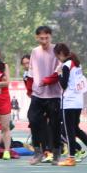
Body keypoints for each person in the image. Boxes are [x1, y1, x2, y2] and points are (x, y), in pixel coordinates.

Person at [53, 43, 87, 167]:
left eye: (57, 56)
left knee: (68, 131)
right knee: (76, 130)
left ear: (61, 54)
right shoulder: (77, 63)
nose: (58, 59)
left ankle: (71, 158)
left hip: (69, 102)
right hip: (78, 101)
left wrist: (58, 73)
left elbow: (63, 85)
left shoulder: (66, 65)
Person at [28, 26, 62, 165]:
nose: (44, 41)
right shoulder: (34, 52)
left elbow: (60, 71)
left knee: (54, 125)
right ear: (37, 38)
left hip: (53, 95)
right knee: (33, 120)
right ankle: (38, 152)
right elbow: (30, 72)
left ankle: (56, 153)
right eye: (41, 38)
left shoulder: (57, 51)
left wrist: (48, 80)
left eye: (47, 38)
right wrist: (30, 89)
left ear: (51, 37)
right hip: (38, 94)